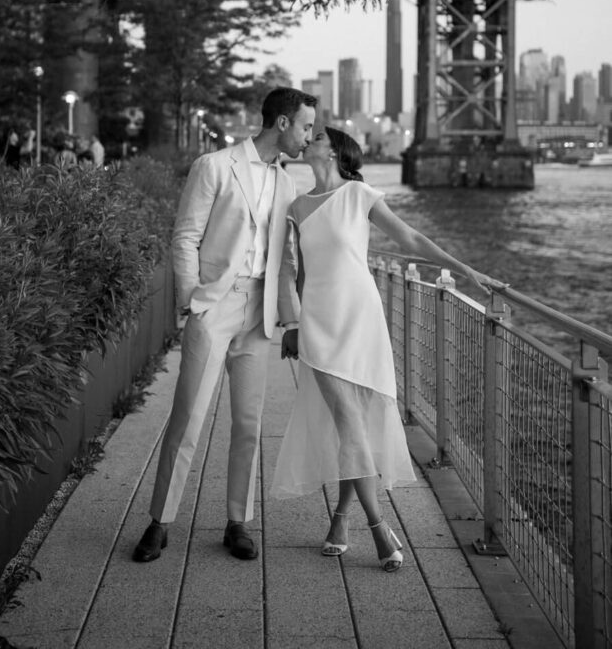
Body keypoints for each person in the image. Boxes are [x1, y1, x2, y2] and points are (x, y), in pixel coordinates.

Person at [271, 125, 505, 572]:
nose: (309, 139)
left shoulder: (361, 196)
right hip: (320, 325)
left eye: (317, 135)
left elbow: (411, 240)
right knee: (348, 422)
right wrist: (294, 325)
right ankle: (381, 529)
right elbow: (299, 273)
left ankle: (340, 519)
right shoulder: (297, 207)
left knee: (351, 426)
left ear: (335, 151)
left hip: (361, 321)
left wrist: (468, 271)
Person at [133, 87, 317, 564]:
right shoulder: (214, 166)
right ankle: (160, 521)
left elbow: (284, 260)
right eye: (305, 126)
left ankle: (238, 521)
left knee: (249, 423)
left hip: (259, 314)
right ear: (281, 124)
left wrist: (291, 318)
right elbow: (185, 237)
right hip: (214, 306)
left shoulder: (287, 184)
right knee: (188, 416)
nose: (309, 137)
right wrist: (193, 299)